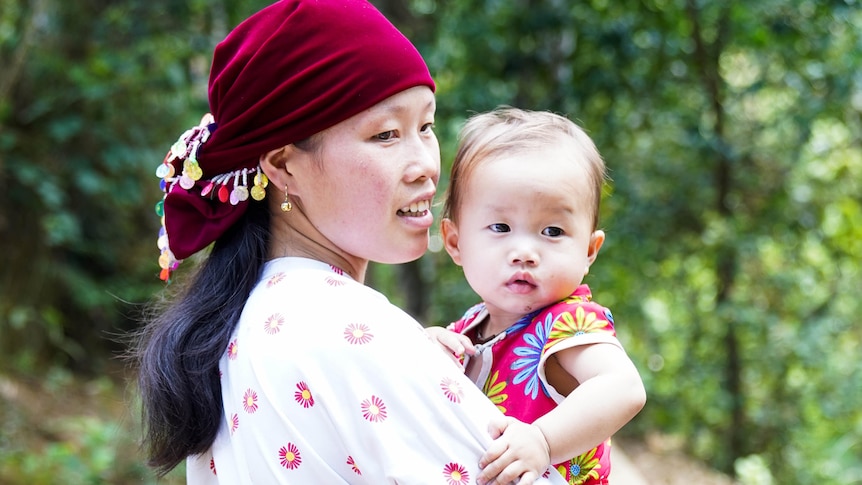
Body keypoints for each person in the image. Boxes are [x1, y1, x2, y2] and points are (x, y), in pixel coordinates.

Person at [134, 1, 567, 484]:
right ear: (282, 166)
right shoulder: (350, 331)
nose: (425, 163)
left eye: (426, 126)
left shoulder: (242, 326)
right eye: (385, 134)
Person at [426, 107, 647, 484]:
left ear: (589, 250)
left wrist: (542, 440)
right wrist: (429, 350)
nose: (525, 251)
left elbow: (624, 388)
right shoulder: (470, 327)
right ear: (454, 241)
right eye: (500, 227)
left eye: (553, 231)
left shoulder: (567, 324)